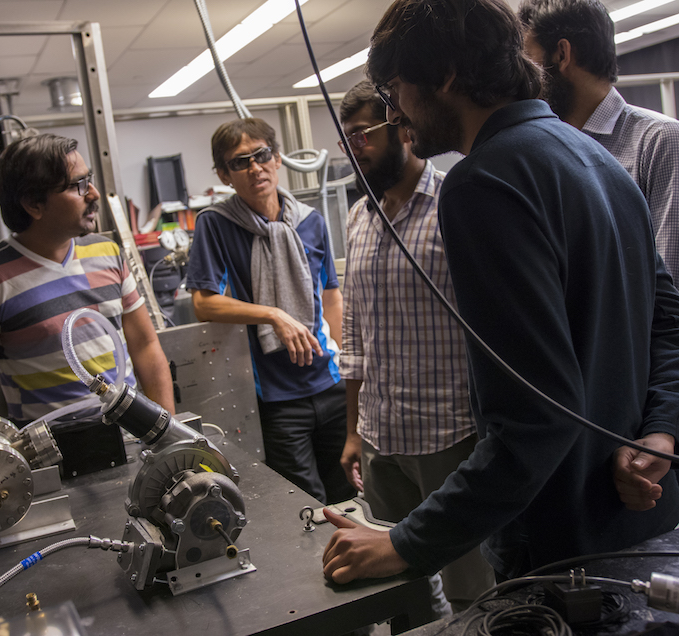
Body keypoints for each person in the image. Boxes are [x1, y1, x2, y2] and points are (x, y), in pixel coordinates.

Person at [322, 0, 679, 585]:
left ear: (444, 77)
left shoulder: (484, 182)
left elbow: (534, 421)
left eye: (395, 92)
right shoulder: (597, 157)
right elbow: (669, 324)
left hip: (561, 549)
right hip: (636, 526)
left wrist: (408, 544)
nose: (398, 114)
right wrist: (660, 430)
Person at [338, 80, 493, 612]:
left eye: (362, 135)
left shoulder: (457, 200)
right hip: (383, 441)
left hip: (451, 436)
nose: (354, 150)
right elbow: (354, 334)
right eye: (347, 140)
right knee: (400, 591)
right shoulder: (360, 217)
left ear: (401, 125)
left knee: (471, 588)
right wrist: (355, 429)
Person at [0, 133, 175, 427]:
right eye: (78, 185)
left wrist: (167, 434)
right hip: (54, 460)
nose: (94, 193)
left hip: (131, 436)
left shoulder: (108, 253)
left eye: (88, 180)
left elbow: (144, 345)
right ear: (33, 204)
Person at [186, 117, 354, 504]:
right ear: (225, 175)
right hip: (276, 397)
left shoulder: (311, 221)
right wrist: (274, 314)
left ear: (278, 159)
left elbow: (330, 297)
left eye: (261, 155)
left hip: (330, 383)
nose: (255, 167)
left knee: (348, 491)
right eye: (240, 162)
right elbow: (203, 303)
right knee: (303, 503)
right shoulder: (217, 224)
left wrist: (347, 364)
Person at [519, 0, 679, 279]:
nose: (522, 78)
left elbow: (670, 286)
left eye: (527, 59)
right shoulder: (543, 152)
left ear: (561, 54)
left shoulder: (659, 142)